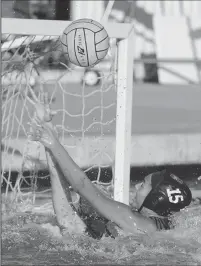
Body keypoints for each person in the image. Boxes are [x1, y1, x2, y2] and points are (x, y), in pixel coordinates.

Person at [28, 93, 192, 239]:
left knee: (81, 211)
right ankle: (49, 141)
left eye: (143, 185)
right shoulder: (168, 227)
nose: (136, 185)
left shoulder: (130, 218)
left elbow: (81, 186)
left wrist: (54, 144)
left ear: (156, 199)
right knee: (83, 213)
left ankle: (49, 143)